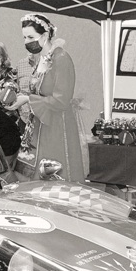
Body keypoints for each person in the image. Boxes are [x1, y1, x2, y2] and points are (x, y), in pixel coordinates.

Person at [20, 13, 85, 181]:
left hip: (57, 125)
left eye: (30, 37)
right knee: (39, 172)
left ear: (45, 35)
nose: (27, 41)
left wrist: (28, 100)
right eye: (24, 37)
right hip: (42, 124)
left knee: (56, 172)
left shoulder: (61, 59)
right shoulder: (41, 59)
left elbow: (61, 100)